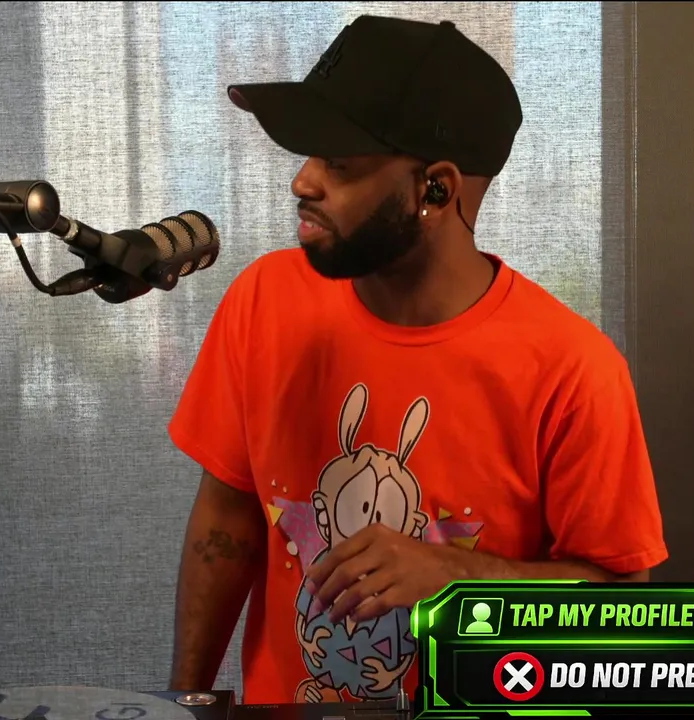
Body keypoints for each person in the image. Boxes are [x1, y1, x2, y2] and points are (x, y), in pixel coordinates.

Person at [167, 14, 667, 706]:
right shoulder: (265, 300)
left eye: (340, 163)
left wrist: (454, 576)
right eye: (310, 156)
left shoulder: (572, 369)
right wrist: (180, 703)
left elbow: (620, 602)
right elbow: (227, 520)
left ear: (435, 189)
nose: (303, 181)